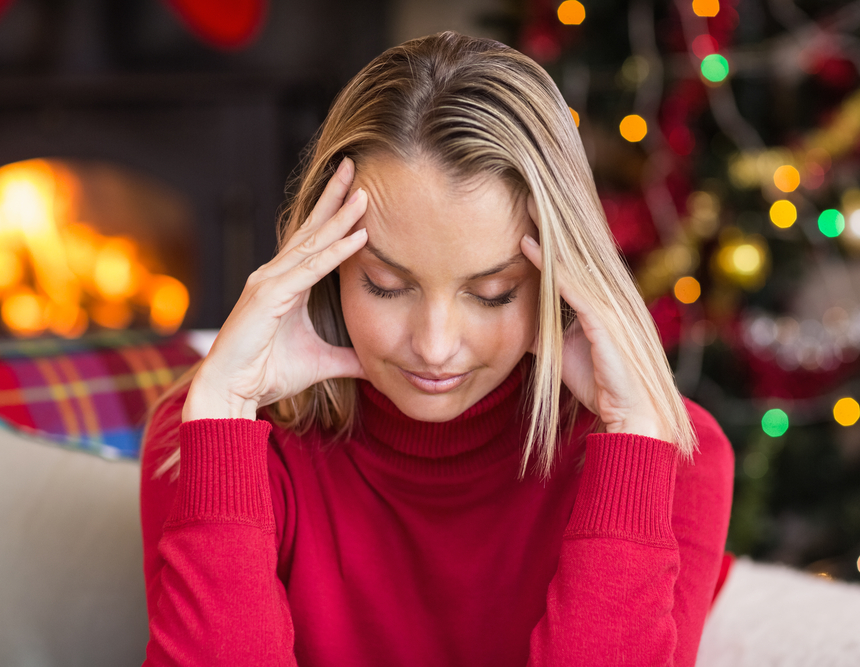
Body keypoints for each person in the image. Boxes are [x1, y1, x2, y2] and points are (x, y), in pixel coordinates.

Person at [139, 31, 734, 666]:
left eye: (494, 293)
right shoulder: (208, 435)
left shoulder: (670, 454)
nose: (435, 347)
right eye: (385, 285)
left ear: (559, 279)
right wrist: (224, 410)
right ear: (324, 265)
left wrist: (633, 438)